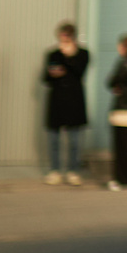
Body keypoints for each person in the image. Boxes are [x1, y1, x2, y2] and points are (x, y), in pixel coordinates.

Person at [41, 23, 91, 186]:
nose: (64, 40)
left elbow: (79, 73)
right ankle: (55, 170)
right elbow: (45, 78)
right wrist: (53, 72)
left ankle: (73, 171)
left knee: (75, 141)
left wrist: (69, 58)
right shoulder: (52, 54)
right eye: (62, 37)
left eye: (67, 36)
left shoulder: (83, 54)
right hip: (56, 102)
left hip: (74, 102)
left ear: (73, 37)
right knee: (54, 140)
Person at [105, 34, 127, 189]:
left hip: (122, 111)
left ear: (124, 46)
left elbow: (111, 81)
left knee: (120, 147)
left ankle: (122, 179)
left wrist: (118, 87)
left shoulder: (125, 62)